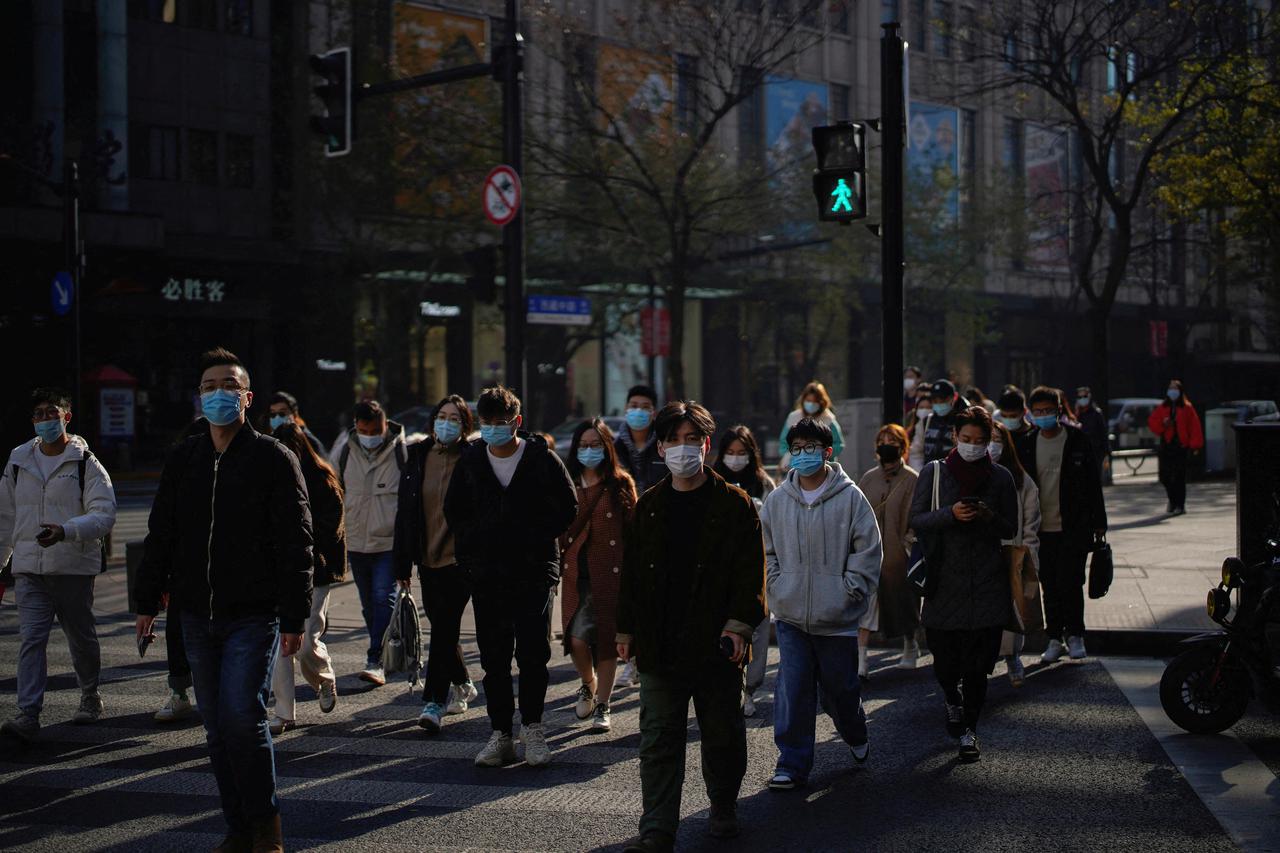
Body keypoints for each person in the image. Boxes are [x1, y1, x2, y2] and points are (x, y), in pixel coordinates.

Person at [134, 347, 313, 853]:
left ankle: (265, 828)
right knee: (215, 728)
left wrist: (294, 614)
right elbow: (160, 532)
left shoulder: (273, 458)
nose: (218, 394)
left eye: (228, 386)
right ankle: (237, 828)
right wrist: (147, 601)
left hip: (252, 614)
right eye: (210, 386)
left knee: (242, 717)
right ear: (199, 397)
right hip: (195, 612)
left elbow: (297, 540)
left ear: (247, 397)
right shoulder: (184, 457)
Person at [616, 401, 766, 852]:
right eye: (674, 440)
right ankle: (657, 827)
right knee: (659, 737)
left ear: (705, 445)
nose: (684, 449)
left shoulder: (734, 503)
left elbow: (750, 573)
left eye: (692, 440)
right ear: (660, 449)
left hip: (717, 644)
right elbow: (634, 575)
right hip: (661, 642)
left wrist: (739, 627)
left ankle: (723, 805)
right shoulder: (651, 506)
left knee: (722, 735)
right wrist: (626, 631)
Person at [444, 386, 577, 767]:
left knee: (533, 654)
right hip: (487, 575)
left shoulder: (541, 458)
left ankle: (533, 728)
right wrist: (473, 552)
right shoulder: (470, 460)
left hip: (534, 572)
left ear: (516, 422)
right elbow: (455, 512)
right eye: (486, 424)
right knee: (494, 658)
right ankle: (500, 732)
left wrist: (531, 535)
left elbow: (567, 505)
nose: (492, 430)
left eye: (500, 423)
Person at [762, 417, 880, 790]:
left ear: (827, 452)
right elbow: (766, 553)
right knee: (792, 689)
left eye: (810, 448)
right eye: (795, 448)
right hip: (791, 616)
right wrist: (777, 588)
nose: (802, 455)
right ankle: (792, 763)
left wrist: (850, 593)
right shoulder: (778, 500)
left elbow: (868, 550)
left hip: (838, 618)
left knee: (840, 691)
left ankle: (854, 730)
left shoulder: (851, 498)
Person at [0, 388, 117, 742]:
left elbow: (104, 514)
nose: (45, 419)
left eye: (52, 412)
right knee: (31, 639)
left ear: (66, 417)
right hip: (29, 569)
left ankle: (89, 696)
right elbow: (5, 517)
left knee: (80, 638)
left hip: (72, 567)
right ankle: (28, 714)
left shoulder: (86, 462)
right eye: (38, 414)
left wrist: (66, 531)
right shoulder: (19, 461)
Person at [910, 406, 1018, 762]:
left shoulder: (1000, 477)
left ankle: (970, 730)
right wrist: (950, 514)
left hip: (988, 583)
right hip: (944, 581)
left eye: (980, 441)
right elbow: (918, 519)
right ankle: (951, 697)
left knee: (978, 667)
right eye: (967, 439)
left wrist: (987, 515)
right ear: (955, 437)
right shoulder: (935, 472)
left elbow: (1010, 528)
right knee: (946, 661)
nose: (973, 446)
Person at [393, 395, 481, 734]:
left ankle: (433, 701)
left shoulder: (473, 459)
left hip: (460, 560)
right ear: (433, 421)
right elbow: (405, 514)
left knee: (445, 630)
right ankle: (462, 681)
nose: (447, 423)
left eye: (456, 418)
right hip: (426, 559)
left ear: (465, 426)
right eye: (442, 416)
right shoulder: (417, 456)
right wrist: (401, 565)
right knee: (444, 628)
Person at [1015, 386, 1108, 664]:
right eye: (1037, 411)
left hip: (1073, 527)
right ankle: (1054, 637)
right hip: (1039, 528)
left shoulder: (1078, 439)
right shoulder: (1028, 443)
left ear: (1058, 410)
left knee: (1072, 581)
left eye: (1047, 411)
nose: (1042, 416)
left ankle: (1075, 634)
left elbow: (1093, 484)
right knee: (1049, 584)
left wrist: (1099, 522)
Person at [560, 418, 637, 733]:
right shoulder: (567, 484)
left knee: (607, 642)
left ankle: (603, 704)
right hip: (577, 576)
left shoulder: (620, 484)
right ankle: (587, 683)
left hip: (611, 576)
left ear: (607, 448)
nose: (589, 451)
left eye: (595, 445)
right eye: (583, 445)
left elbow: (634, 532)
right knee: (575, 639)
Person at [268, 423, 345, 734]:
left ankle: (324, 679)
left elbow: (332, 530)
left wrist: (304, 547)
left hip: (316, 571)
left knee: (304, 642)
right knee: (279, 645)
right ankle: (284, 711)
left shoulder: (323, 480)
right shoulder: (266, 481)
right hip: (276, 572)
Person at [339, 399, 408, 686]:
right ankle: (385, 650)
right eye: (364, 429)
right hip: (356, 542)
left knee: (383, 597)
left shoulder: (401, 452)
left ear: (385, 425)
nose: (370, 435)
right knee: (369, 604)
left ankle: (375, 657)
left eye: (375, 429)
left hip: (387, 543)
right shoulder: (345, 450)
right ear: (356, 426)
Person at [711, 425, 776, 716]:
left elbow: (775, 527)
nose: (736, 459)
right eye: (730, 453)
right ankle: (727, 685)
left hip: (756, 568)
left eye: (742, 453)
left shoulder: (764, 484)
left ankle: (750, 689)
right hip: (720, 570)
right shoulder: (711, 483)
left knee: (758, 633)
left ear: (752, 455)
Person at [154, 418, 212, 725]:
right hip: (184, 573)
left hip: (227, 577)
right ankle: (180, 693)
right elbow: (161, 530)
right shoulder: (180, 472)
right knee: (178, 634)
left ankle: (212, 699)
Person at [857, 424, 921, 674]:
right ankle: (861, 660)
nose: (886, 444)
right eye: (882, 439)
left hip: (898, 554)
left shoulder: (912, 479)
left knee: (904, 602)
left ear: (903, 447)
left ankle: (910, 642)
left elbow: (918, 514)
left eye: (892, 440)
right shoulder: (868, 478)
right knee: (866, 605)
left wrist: (908, 544)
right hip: (871, 553)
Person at [989, 422, 1042, 687]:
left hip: (1013, 550)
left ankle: (1013, 657)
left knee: (1013, 608)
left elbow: (1031, 521)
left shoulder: (1021, 480)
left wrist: (1029, 552)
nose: (990, 444)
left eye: (996, 439)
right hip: (982, 552)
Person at [1148, 380, 1204, 516]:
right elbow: (1152, 422)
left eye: (1175, 388)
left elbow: (1194, 427)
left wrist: (1194, 445)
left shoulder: (1187, 408)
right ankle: (1173, 500)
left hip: (1180, 446)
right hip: (1166, 445)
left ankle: (1180, 504)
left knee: (1179, 476)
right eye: (1170, 388)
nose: (1172, 391)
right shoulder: (1163, 407)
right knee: (1164, 476)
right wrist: (1163, 424)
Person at [779, 381, 845, 471]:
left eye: (815, 401)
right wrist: (790, 456)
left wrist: (818, 455)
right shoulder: (793, 418)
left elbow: (838, 444)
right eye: (809, 401)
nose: (811, 404)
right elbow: (783, 443)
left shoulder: (828, 419)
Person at [615, 384, 666, 496]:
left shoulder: (664, 446)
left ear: (654, 413)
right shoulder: (614, 448)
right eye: (634, 406)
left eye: (645, 407)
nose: (638, 411)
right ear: (626, 409)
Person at [909, 379, 968, 469]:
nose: (939, 403)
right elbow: (916, 452)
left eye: (943, 400)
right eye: (935, 401)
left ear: (953, 398)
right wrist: (921, 473)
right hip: (929, 474)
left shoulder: (962, 421)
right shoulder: (926, 421)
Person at [267, 390, 327, 458]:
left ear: (294, 415)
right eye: (273, 414)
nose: (277, 418)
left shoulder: (309, 442)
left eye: (282, 413)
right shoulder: (271, 439)